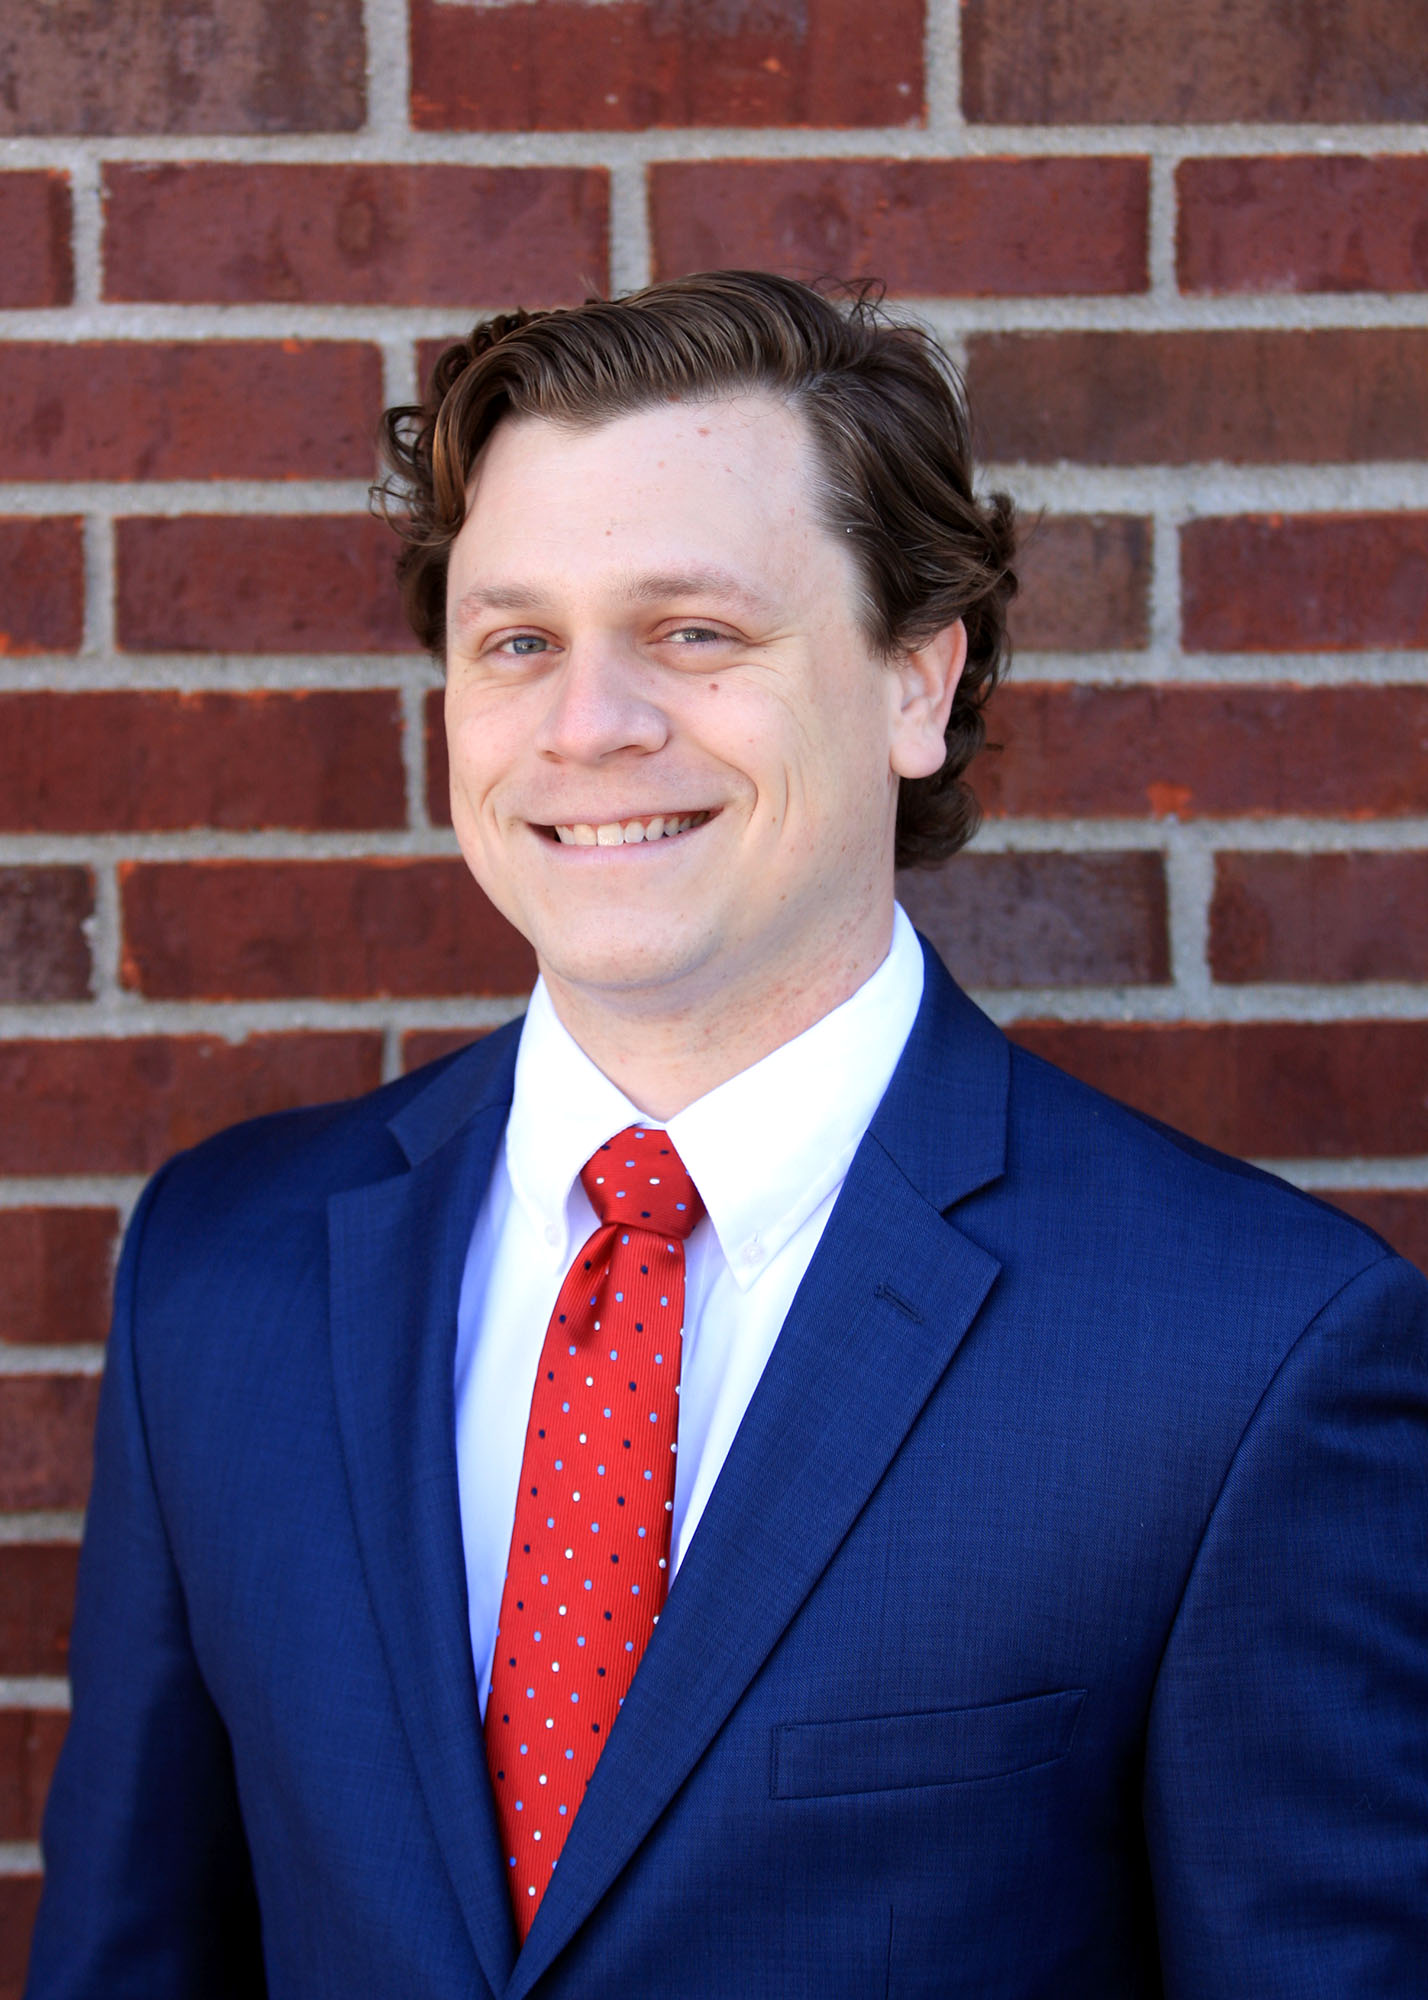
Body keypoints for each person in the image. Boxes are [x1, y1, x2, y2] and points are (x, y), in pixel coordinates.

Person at [27, 272, 1427, 1999]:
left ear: (918, 686)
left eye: (694, 631)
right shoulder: (218, 1272)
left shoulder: (1247, 1351)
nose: (589, 724)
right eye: (518, 640)